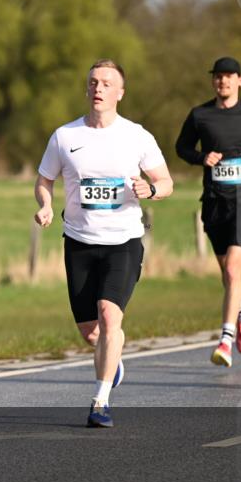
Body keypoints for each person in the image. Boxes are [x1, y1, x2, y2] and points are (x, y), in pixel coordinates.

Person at [34, 59, 174, 428]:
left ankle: (100, 401)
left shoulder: (137, 136)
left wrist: (151, 189)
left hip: (123, 241)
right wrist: (46, 205)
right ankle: (113, 359)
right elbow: (45, 180)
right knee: (90, 330)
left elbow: (166, 181)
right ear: (86, 88)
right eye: (94, 82)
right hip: (79, 241)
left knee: (111, 316)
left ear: (120, 93)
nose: (99, 88)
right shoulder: (65, 136)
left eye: (107, 83)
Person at [175, 57, 241, 368]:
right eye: (218, 76)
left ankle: (225, 339)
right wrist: (201, 158)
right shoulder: (200, 115)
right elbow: (182, 147)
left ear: (240, 81)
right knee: (227, 273)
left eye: (229, 76)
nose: (223, 81)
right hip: (214, 201)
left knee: (234, 270)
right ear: (213, 81)